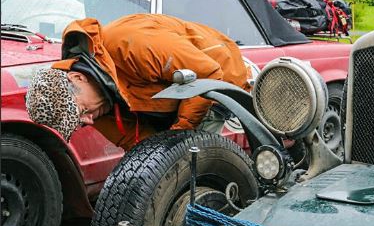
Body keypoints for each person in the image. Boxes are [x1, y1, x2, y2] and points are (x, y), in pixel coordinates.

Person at [26, 13, 249, 151]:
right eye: (79, 122)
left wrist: (179, 133)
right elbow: (136, 143)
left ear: (77, 77)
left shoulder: (131, 44)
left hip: (214, 77)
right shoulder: (93, 109)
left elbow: (206, 72)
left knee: (193, 160)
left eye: (82, 111)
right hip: (171, 98)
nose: (89, 122)